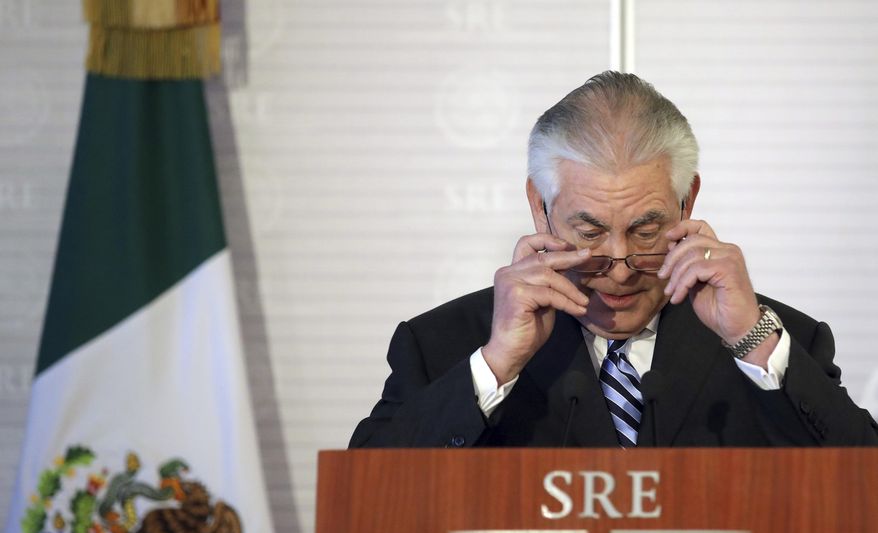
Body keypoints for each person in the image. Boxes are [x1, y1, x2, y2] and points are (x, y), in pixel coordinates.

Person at [349, 71, 878, 448]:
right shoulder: (443, 345)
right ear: (541, 207)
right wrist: (496, 366)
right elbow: (365, 507)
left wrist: (754, 342)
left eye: (646, 230)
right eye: (592, 232)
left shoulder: (780, 341)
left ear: (686, 203)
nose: (621, 265)